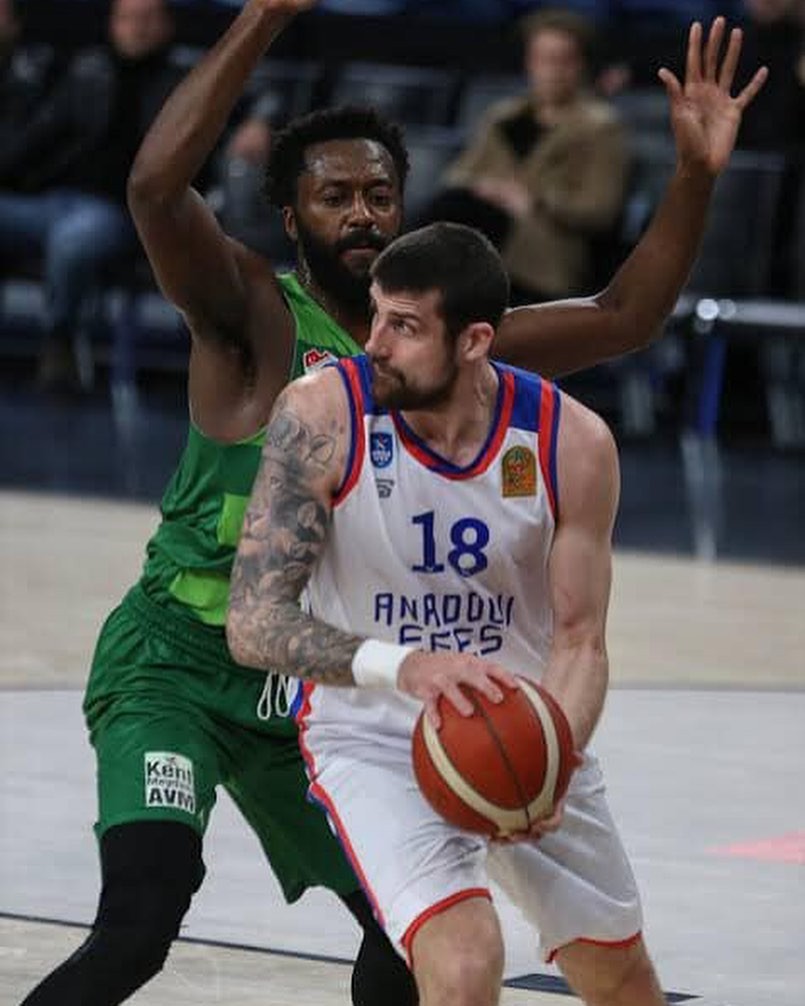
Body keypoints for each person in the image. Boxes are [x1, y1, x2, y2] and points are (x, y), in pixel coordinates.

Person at [19, 2, 766, 1002]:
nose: (363, 214)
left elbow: (622, 316)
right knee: (140, 922)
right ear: (292, 219)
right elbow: (155, 188)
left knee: (408, 938)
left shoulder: (444, 349)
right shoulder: (249, 314)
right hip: (181, 663)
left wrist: (692, 177)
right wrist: (266, 15)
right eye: (334, 197)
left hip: (319, 680)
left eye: (380, 194)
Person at [225, 220, 664, 1005]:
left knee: (619, 980)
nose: (374, 344)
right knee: (463, 966)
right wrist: (407, 667)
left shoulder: (569, 441)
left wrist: (553, 760)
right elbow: (253, 622)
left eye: (404, 326)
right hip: (373, 737)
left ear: (473, 341)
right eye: (375, 315)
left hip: (516, 723)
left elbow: (579, 641)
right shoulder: (322, 416)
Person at [0, 0, 182, 390]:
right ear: (112, 25)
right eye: (127, 19)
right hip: (52, 200)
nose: (136, 28)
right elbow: (37, 138)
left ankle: (59, 341)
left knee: (73, 241)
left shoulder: (184, 87)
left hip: (119, 213)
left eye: (147, 19)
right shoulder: (87, 73)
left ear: (167, 26)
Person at [423, 8, 630, 304]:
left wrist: (534, 200)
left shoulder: (600, 128)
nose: (552, 70)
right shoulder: (503, 116)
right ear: (529, 62)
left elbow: (599, 209)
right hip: (482, 231)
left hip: (547, 251)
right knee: (452, 209)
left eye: (562, 60)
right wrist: (493, 189)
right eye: (543, 59)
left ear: (580, 65)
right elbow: (458, 176)